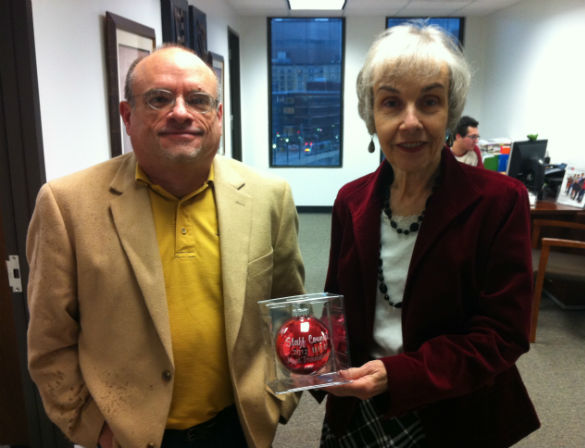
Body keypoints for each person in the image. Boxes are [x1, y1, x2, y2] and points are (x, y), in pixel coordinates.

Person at [26, 45, 305, 448]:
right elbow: (50, 340)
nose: (180, 112)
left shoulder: (269, 197)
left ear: (218, 115)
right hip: (128, 436)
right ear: (127, 116)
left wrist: (280, 401)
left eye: (198, 100)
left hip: (239, 427)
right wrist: (93, 428)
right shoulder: (66, 205)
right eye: (159, 99)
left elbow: (290, 311)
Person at [319, 24, 540, 447]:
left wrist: (398, 374)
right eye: (391, 103)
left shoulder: (499, 201)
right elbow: (337, 306)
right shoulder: (351, 200)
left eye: (430, 101)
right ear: (371, 116)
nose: (410, 122)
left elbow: (503, 334)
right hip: (359, 402)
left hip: (452, 409)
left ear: (450, 112)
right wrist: (306, 354)